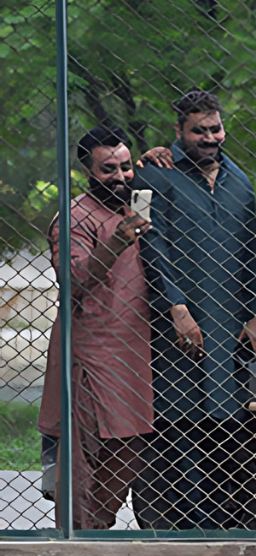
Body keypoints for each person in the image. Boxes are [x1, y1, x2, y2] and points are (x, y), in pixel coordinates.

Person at [131, 89, 256, 529]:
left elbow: (249, 252)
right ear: (180, 131)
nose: (209, 138)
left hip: (230, 324)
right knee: (180, 420)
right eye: (198, 130)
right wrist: (176, 306)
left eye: (215, 129)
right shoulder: (149, 178)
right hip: (177, 323)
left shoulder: (242, 182)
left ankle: (222, 517)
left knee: (226, 422)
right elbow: (148, 244)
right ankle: (186, 519)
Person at [37, 126, 154, 529]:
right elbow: (74, 278)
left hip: (134, 354)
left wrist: (157, 157)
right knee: (80, 457)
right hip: (89, 354)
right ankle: (76, 541)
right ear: (86, 170)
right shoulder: (75, 216)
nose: (120, 177)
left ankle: (96, 530)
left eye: (125, 167)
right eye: (108, 169)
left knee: (129, 449)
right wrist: (117, 242)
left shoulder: (135, 208)